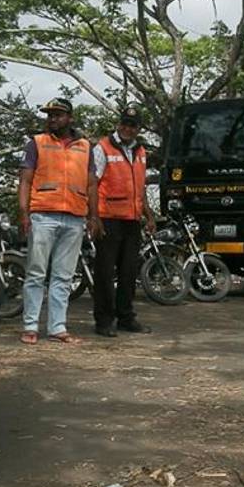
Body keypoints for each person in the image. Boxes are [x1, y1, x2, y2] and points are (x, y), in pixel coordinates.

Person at [18, 97, 91, 345]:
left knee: (64, 276)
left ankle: (57, 327)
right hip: (43, 214)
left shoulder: (85, 147)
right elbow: (25, 180)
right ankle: (30, 326)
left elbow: (91, 183)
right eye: (50, 115)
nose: (52, 119)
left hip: (74, 217)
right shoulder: (36, 143)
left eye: (58, 115)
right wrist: (24, 213)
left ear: (70, 117)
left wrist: (94, 216)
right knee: (36, 273)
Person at [87, 106, 157, 337]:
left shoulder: (140, 151)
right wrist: (94, 217)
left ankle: (126, 317)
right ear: (119, 124)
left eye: (132, 125)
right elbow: (92, 184)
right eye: (124, 123)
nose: (127, 128)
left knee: (128, 271)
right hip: (108, 218)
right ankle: (104, 321)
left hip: (132, 220)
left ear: (138, 128)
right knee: (105, 272)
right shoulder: (103, 147)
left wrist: (148, 215)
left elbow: (141, 187)